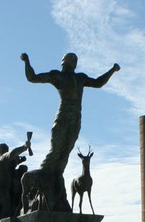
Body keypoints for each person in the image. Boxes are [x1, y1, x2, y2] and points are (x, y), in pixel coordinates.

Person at [20, 52, 119, 211]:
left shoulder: (80, 78)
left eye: (74, 60)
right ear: (63, 62)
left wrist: (112, 70)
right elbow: (32, 78)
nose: (72, 62)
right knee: (56, 150)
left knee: (65, 153)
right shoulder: (57, 76)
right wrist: (26, 61)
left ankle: (56, 180)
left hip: (76, 119)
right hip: (62, 118)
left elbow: (98, 83)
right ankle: (42, 180)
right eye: (69, 59)